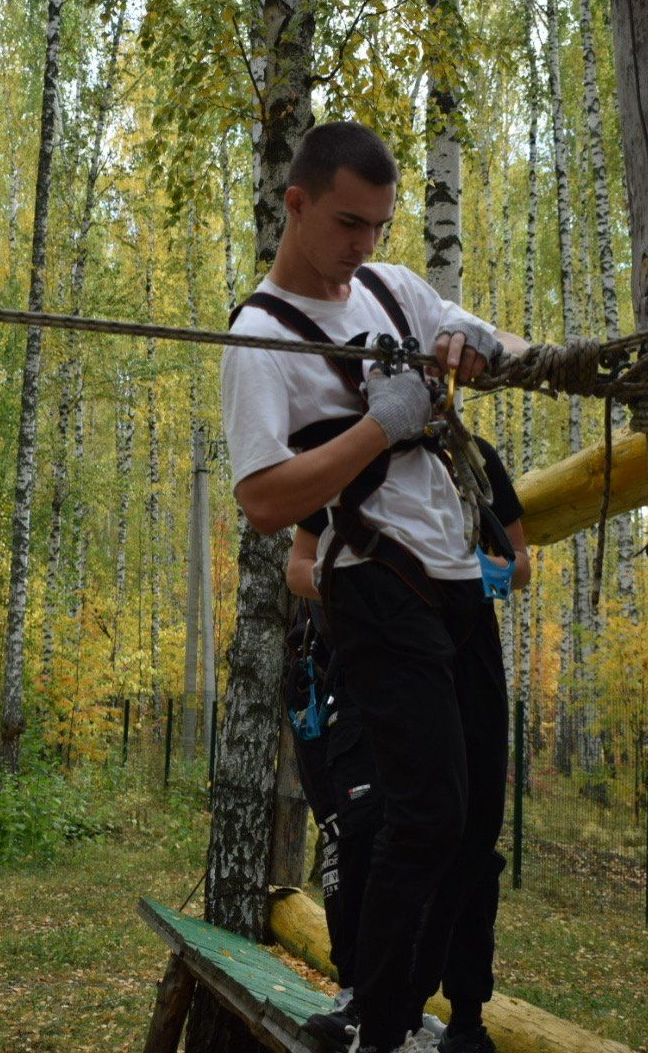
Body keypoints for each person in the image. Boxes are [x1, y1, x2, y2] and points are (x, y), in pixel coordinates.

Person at [221, 119, 529, 1053]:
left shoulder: (393, 290)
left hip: (456, 580)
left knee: (474, 817)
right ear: (297, 204)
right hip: (371, 581)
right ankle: (378, 1022)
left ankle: (443, 1012)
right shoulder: (260, 337)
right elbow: (265, 502)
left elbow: (496, 342)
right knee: (423, 808)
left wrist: (491, 354)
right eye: (349, 223)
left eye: (379, 227)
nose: (363, 246)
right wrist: (377, 427)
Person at [286, 435, 529, 1051]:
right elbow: (298, 564)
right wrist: (375, 586)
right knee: (379, 827)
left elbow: (518, 562)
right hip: (378, 658)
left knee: (473, 831)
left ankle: (463, 1015)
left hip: (465, 649)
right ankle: (372, 1008)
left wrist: (460, 581)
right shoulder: (340, 456)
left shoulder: (470, 459)